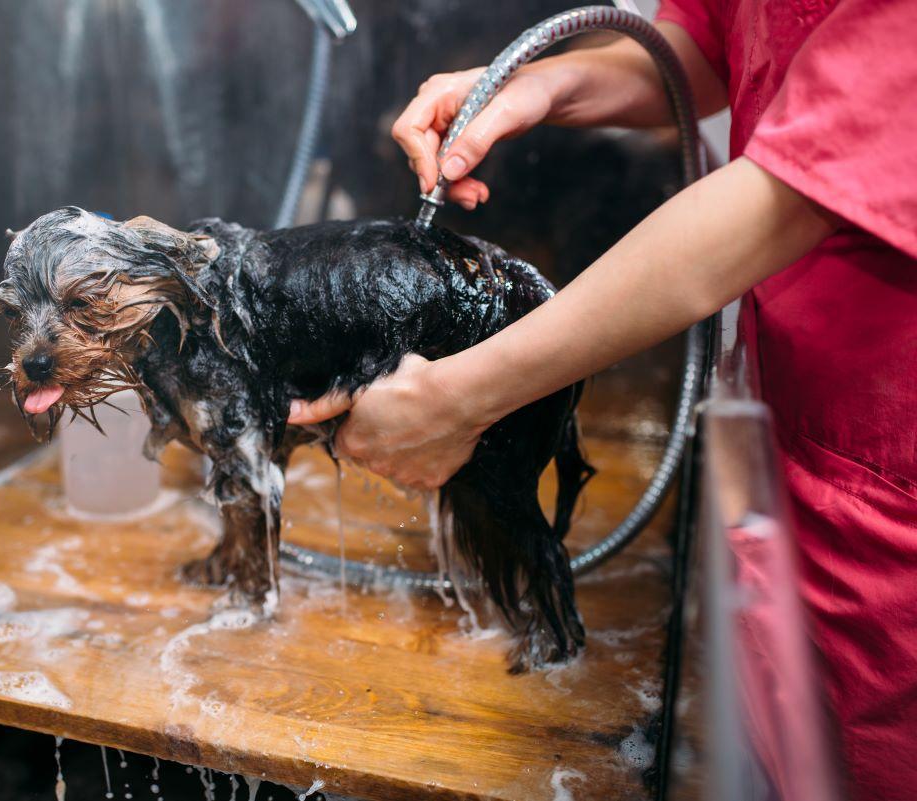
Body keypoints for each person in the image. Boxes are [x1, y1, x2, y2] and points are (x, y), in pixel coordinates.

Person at [287, 1, 916, 799]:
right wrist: (542, 85)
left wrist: (463, 399)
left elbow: (784, 197)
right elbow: (710, 46)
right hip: (797, 426)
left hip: (892, 493)